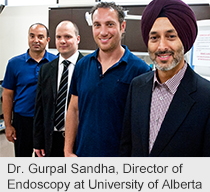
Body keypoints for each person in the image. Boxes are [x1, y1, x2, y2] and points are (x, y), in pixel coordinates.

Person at [120, 0, 210, 157]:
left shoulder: (206, 96)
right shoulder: (137, 86)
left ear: (185, 39)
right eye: (154, 38)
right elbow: (127, 147)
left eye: (171, 36)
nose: (162, 46)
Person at [64, 2, 151, 157]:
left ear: (122, 26)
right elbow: (74, 109)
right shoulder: (82, 66)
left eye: (109, 24)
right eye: (97, 25)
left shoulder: (140, 70)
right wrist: (68, 151)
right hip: (82, 156)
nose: (103, 32)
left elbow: (142, 126)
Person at [2, 23, 57, 157]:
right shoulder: (14, 63)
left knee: (46, 160)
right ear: (28, 38)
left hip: (47, 121)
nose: (36, 40)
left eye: (40, 37)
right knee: (22, 158)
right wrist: (8, 125)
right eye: (32, 36)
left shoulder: (55, 63)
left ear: (47, 40)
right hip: (23, 121)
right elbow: (7, 96)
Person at [33, 21, 83, 157]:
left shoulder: (87, 67)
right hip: (51, 138)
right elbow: (40, 107)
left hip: (78, 139)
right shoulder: (46, 69)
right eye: (58, 37)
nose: (62, 41)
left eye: (67, 37)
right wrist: (38, 141)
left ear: (77, 39)